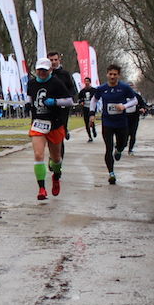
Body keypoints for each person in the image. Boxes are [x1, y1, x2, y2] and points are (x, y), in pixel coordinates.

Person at [25, 58, 74, 201]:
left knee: (56, 158)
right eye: (39, 70)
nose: (41, 73)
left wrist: (55, 102)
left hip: (54, 124)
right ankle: (41, 188)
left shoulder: (56, 83)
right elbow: (29, 96)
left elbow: (69, 101)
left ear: (50, 70)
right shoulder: (31, 83)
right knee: (38, 155)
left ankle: (56, 177)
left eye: (44, 70)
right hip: (38, 123)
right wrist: (28, 104)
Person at [90, 65, 137, 185]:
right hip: (107, 122)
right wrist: (92, 114)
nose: (112, 76)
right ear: (107, 74)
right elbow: (94, 100)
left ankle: (119, 150)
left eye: (115, 74)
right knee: (108, 147)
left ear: (118, 75)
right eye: (110, 74)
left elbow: (134, 100)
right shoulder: (102, 88)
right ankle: (111, 173)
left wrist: (124, 106)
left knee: (123, 143)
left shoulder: (124, 88)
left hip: (121, 122)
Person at [47, 51, 75, 142]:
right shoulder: (45, 73)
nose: (53, 62)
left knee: (61, 126)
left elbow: (71, 87)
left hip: (63, 104)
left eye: (55, 60)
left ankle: (64, 131)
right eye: (51, 60)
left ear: (59, 60)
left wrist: (70, 98)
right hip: (50, 105)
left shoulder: (64, 74)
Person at [125, 81, 148, 155]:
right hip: (124, 118)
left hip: (134, 118)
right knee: (125, 134)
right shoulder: (122, 95)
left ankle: (130, 149)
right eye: (128, 85)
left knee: (133, 134)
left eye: (131, 85)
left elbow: (142, 104)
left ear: (133, 87)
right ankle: (121, 145)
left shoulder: (137, 96)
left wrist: (142, 108)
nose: (130, 87)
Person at [77, 77, 97, 142]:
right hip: (85, 107)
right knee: (86, 121)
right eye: (85, 81)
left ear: (90, 82)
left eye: (87, 81)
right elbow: (79, 99)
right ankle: (90, 136)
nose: (86, 83)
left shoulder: (94, 90)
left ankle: (93, 129)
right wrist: (81, 102)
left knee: (91, 120)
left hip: (92, 108)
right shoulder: (82, 91)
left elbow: (97, 98)